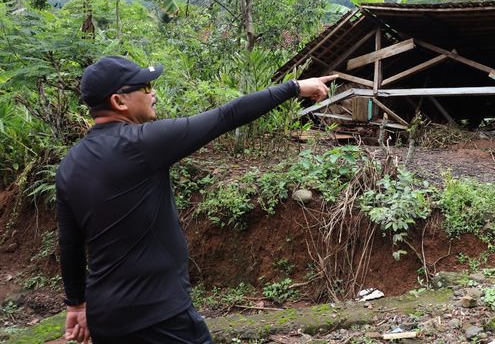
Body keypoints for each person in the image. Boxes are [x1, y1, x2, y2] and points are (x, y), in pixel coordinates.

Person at [56, 55, 335, 343]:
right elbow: (227, 116)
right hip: (158, 314)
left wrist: (76, 304)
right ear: (119, 101)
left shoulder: (69, 165)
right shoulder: (141, 142)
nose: (153, 94)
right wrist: (294, 87)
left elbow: (70, 242)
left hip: (106, 318)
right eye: (145, 87)